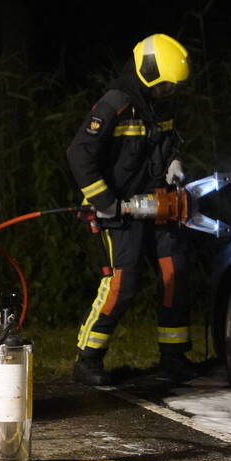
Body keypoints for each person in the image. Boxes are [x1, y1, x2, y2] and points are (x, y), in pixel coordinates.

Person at [67, 33, 196, 385]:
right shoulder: (116, 103)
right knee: (122, 283)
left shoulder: (161, 104)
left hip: (155, 203)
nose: (169, 90)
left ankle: (174, 357)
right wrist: (105, 202)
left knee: (176, 272)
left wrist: (174, 162)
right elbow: (79, 153)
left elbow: (167, 143)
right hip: (117, 207)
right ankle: (88, 358)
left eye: (173, 85)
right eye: (166, 83)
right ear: (149, 71)